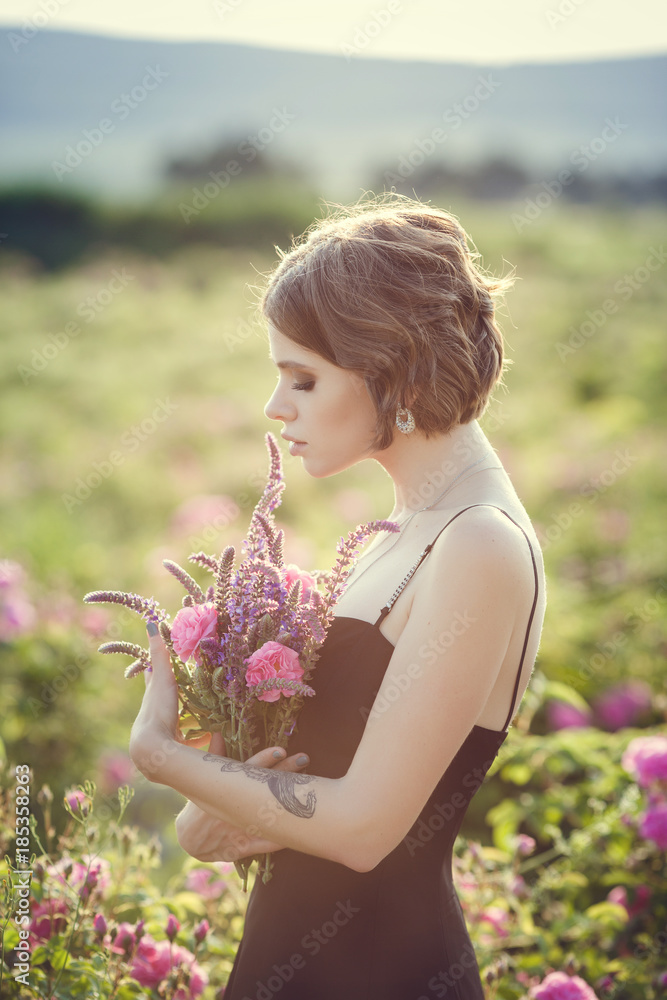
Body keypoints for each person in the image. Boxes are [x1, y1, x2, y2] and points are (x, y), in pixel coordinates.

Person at [129, 192, 547, 999]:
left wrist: (162, 759)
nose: (274, 406)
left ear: (392, 368)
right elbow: (282, 802)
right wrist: (214, 808)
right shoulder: (402, 530)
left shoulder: (478, 542)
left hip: (386, 973)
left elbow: (361, 830)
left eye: (304, 378)